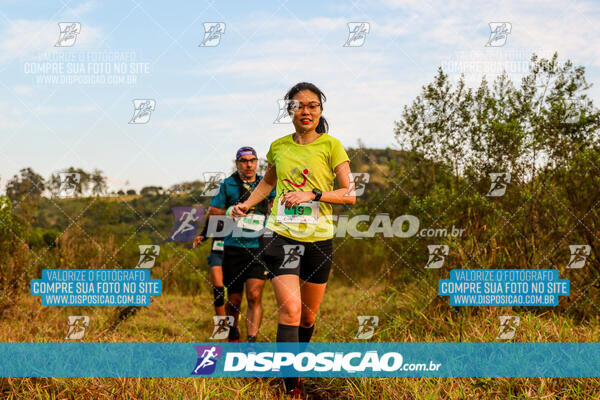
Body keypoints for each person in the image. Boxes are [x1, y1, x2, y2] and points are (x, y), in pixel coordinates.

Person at [231, 82, 356, 397]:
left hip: (319, 239)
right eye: (299, 105)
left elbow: (349, 194)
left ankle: (295, 363)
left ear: (320, 111)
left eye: (313, 105)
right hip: (280, 236)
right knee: (290, 310)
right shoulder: (278, 146)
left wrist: (313, 193)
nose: (306, 111)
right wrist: (246, 204)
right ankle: (291, 385)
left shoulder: (332, 146)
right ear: (289, 110)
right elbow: (268, 183)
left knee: (307, 317)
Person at [194, 146, 276, 342]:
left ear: (257, 163)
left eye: (252, 160)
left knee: (255, 295)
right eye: (244, 161)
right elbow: (214, 210)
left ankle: (252, 341)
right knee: (235, 300)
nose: (249, 164)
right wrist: (230, 211)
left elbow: (275, 208)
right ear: (237, 163)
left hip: (258, 246)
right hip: (233, 247)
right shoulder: (228, 185)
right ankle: (233, 332)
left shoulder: (266, 183)